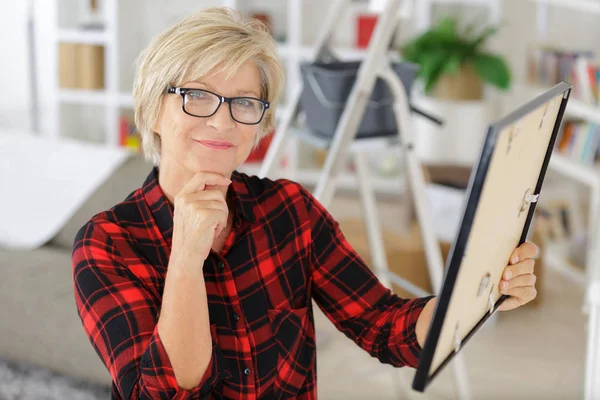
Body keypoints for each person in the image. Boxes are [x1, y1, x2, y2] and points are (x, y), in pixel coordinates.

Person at [71, 7, 538, 400]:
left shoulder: (291, 210)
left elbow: (384, 327)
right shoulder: (105, 245)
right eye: (196, 97)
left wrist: (480, 291)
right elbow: (164, 392)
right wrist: (186, 259)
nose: (222, 121)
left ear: (259, 124)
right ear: (153, 109)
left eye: (244, 103)